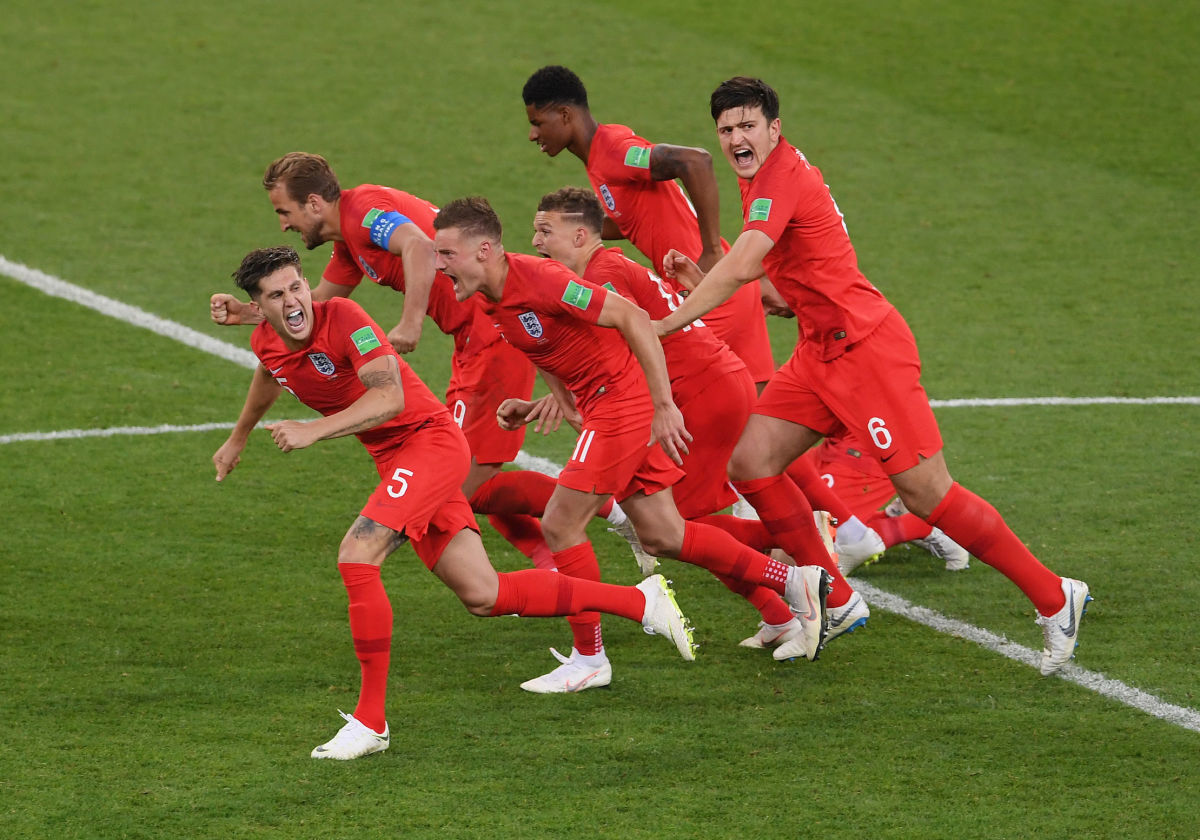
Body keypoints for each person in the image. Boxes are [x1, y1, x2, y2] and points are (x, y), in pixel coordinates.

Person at [655, 77, 1091, 676]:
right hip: (818, 352)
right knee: (751, 461)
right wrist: (702, 280)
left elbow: (745, 265)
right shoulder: (759, 176)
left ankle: (1055, 597)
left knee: (927, 493)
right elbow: (782, 290)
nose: (735, 139)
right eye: (726, 130)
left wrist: (668, 321)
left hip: (866, 352)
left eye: (747, 126)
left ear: (774, 129)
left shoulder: (779, 178)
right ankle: (835, 598)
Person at [211, 245, 697, 759]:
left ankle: (370, 723)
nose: (292, 301)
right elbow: (271, 371)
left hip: (429, 444)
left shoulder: (346, 319)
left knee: (357, 556)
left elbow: (390, 397)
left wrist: (316, 430)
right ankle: (641, 602)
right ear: (259, 307)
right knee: (483, 595)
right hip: (395, 459)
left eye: (296, 287)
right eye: (276, 296)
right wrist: (238, 438)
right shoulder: (266, 340)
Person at [431, 197, 833, 693]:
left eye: (446, 253)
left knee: (560, 523)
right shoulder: (489, 297)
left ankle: (590, 657)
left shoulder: (543, 279)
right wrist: (548, 403)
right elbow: (544, 349)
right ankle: (794, 581)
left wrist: (663, 405)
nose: (438, 265)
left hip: (622, 404)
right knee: (664, 533)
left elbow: (633, 319)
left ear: (483, 250)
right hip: (609, 404)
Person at [207, 153, 634, 574]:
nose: (284, 224)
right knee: (465, 483)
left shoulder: (363, 213)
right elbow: (309, 307)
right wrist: (250, 313)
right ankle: (556, 559)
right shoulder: (348, 244)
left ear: (314, 204)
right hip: (471, 345)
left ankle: (608, 512)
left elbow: (418, 244)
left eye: (285, 211)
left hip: (491, 339)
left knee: (456, 484)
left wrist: (410, 322)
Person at [531, 187, 813, 657]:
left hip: (698, 392)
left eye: (545, 231)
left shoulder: (602, 275)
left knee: (673, 530)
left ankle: (802, 556)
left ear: (579, 236)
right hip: (703, 385)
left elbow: (634, 344)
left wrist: (660, 406)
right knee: (672, 529)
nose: (535, 241)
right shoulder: (602, 269)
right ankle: (781, 608)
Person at [521, 65, 777, 390]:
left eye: (537, 123)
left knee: (653, 398)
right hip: (721, 289)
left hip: (701, 293)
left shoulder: (613, 151)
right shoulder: (599, 159)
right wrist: (565, 234)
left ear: (564, 115)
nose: (533, 135)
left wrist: (711, 250)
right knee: (757, 415)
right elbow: (631, 220)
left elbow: (695, 161)